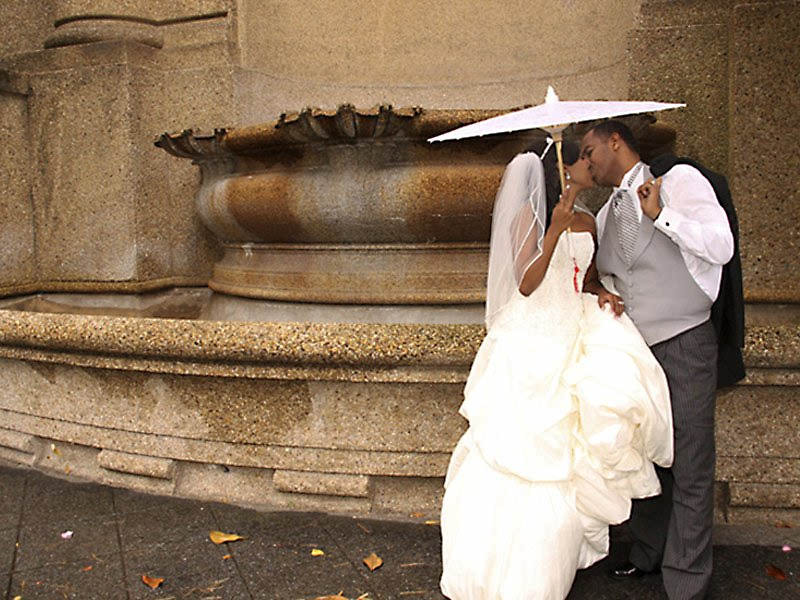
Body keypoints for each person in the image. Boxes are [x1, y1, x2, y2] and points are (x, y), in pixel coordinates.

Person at [439, 144, 674, 599]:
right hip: (530, 344)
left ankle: (546, 564)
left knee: (567, 456)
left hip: (571, 336)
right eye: (583, 157)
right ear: (562, 168)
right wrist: (553, 231)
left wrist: (601, 290)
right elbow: (526, 283)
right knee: (520, 453)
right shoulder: (528, 217)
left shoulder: (588, 219)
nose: (591, 163)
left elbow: (581, 276)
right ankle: (492, 567)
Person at [581, 120, 735, 600]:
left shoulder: (683, 181)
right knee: (649, 455)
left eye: (589, 151)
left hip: (686, 341)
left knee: (690, 460)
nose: (587, 164)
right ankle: (648, 554)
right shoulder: (606, 213)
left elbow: (721, 246)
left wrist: (662, 213)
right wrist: (604, 291)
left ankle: (686, 583)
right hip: (635, 349)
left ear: (615, 141)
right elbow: (607, 273)